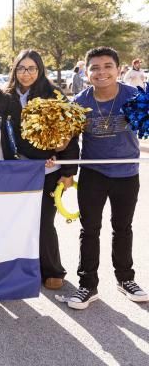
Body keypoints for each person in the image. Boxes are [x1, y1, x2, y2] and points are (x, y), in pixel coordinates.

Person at [66, 46, 148, 309]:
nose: (101, 72)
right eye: (95, 68)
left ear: (118, 69)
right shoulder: (80, 101)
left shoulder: (134, 95)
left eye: (107, 66)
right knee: (89, 230)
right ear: (87, 72)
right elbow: (66, 139)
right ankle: (87, 285)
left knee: (122, 228)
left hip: (126, 173)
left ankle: (125, 279)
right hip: (93, 173)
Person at [5, 49, 79, 290]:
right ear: (15, 70)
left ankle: (53, 269)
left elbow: (71, 132)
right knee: (18, 221)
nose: (26, 73)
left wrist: (68, 171)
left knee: (44, 221)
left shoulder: (54, 94)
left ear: (40, 70)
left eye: (32, 68)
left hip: (48, 169)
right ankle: (23, 268)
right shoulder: (6, 97)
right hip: (17, 170)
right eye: (21, 68)